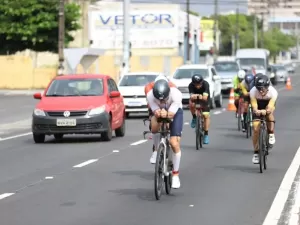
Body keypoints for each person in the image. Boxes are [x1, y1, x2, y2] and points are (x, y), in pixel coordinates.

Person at [146, 79, 183, 189]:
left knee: (174, 143)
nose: (161, 102)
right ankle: (156, 150)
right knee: (154, 126)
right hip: (161, 112)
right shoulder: (150, 95)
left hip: (175, 113)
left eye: (164, 100)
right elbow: (156, 113)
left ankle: (175, 175)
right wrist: (159, 113)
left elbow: (171, 115)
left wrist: (166, 113)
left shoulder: (176, 94)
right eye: (159, 100)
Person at [144, 75, 177, 164]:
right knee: (154, 125)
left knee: (169, 124)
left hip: (168, 106)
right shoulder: (149, 89)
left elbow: (175, 103)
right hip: (155, 105)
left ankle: (169, 142)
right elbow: (150, 103)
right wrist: (156, 112)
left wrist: (168, 114)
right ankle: (155, 150)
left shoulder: (172, 87)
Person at [250, 75, 277, 164]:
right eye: (259, 88)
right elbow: (254, 105)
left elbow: (270, 107)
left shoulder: (273, 92)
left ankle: (271, 133)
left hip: (268, 104)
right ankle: (256, 153)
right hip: (258, 105)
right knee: (255, 128)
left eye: (263, 88)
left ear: (267, 87)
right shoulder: (253, 91)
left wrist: (266, 111)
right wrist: (256, 110)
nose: (261, 91)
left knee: (269, 114)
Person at [189, 74, 210, 144]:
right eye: (196, 84)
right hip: (196, 99)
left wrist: (197, 96)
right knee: (191, 104)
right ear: (193, 83)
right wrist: (197, 96)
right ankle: (194, 118)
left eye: (199, 84)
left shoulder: (206, 84)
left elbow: (204, 98)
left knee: (206, 115)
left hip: (205, 100)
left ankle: (206, 134)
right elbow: (191, 97)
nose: (198, 86)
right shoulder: (191, 85)